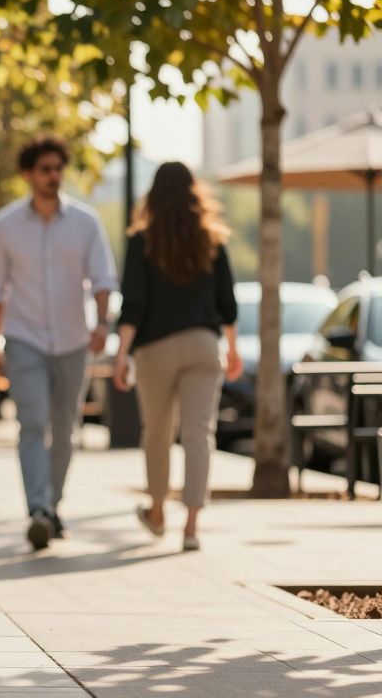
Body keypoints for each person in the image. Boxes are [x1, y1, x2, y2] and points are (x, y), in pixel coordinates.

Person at [0, 136, 117, 551]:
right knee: (33, 423)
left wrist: (103, 324)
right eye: (45, 169)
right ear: (28, 175)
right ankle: (38, 509)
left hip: (74, 340)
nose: (53, 176)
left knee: (65, 428)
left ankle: (53, 505)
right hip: (24, 340)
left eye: (58, 169)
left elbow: (103, 278)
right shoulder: (5, 227)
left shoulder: (85, 222)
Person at [112, 162, 242, 552]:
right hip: (204, 345)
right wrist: (233, 348)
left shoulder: (142, 242)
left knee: (158, 431)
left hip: (156, 349)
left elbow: (132, 305)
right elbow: (227, 304)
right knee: (199, 433)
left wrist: (121, 354)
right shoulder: (212, 240)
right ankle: (191, 525)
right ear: (193, 193)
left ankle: (156, 511)